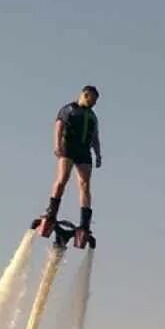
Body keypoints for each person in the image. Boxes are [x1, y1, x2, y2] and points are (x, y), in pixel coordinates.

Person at [40, 85, 102, 235]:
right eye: (92, 100)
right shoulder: (69, 109)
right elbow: (59, 126)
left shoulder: (92, 116)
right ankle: (51, 212)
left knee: (85, 184)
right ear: (85, 95)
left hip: (84, 151)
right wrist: (57, 144)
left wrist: (98, 154)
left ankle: (85, 222)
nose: (93, 104)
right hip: (68, 148)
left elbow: (95, 137)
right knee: (62, 179)